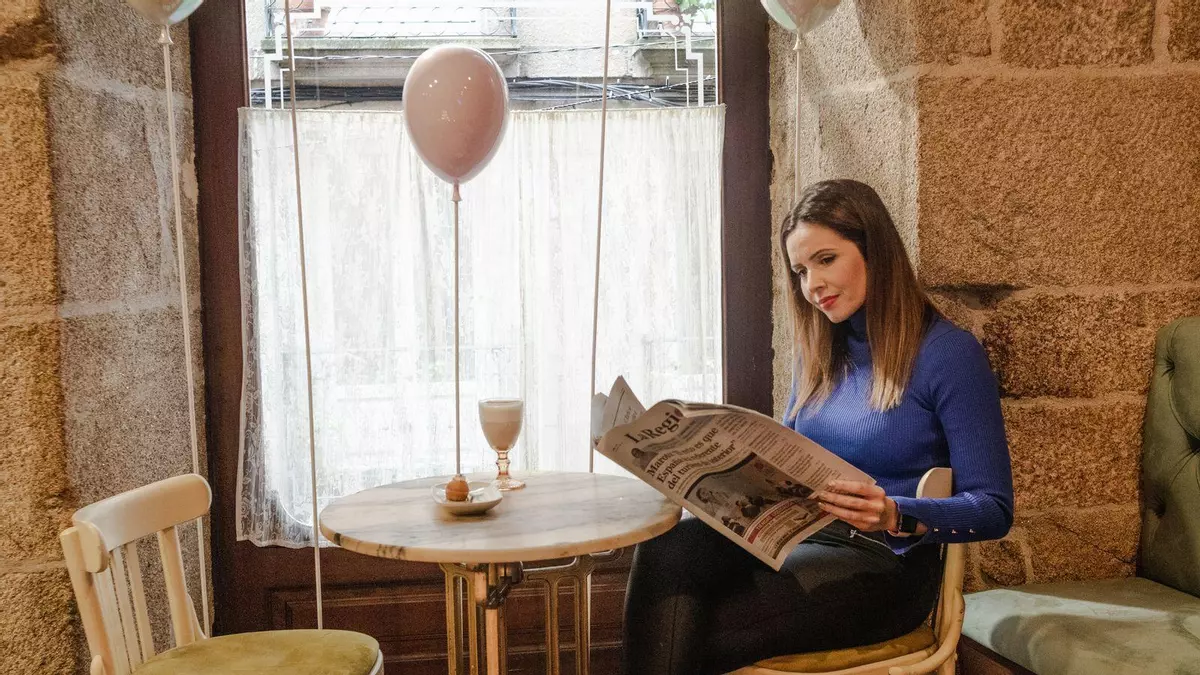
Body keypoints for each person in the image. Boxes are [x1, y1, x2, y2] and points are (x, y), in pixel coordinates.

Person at [621, 179, 1014, 675]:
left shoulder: (950, 355)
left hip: (884, 565)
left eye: (826, 260)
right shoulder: (818, 353)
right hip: (797, 538)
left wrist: (895, 513)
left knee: (688, 627)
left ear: (875, 251)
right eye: (801, 271)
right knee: (668, 551)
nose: (813, 286)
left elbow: (994, 509)